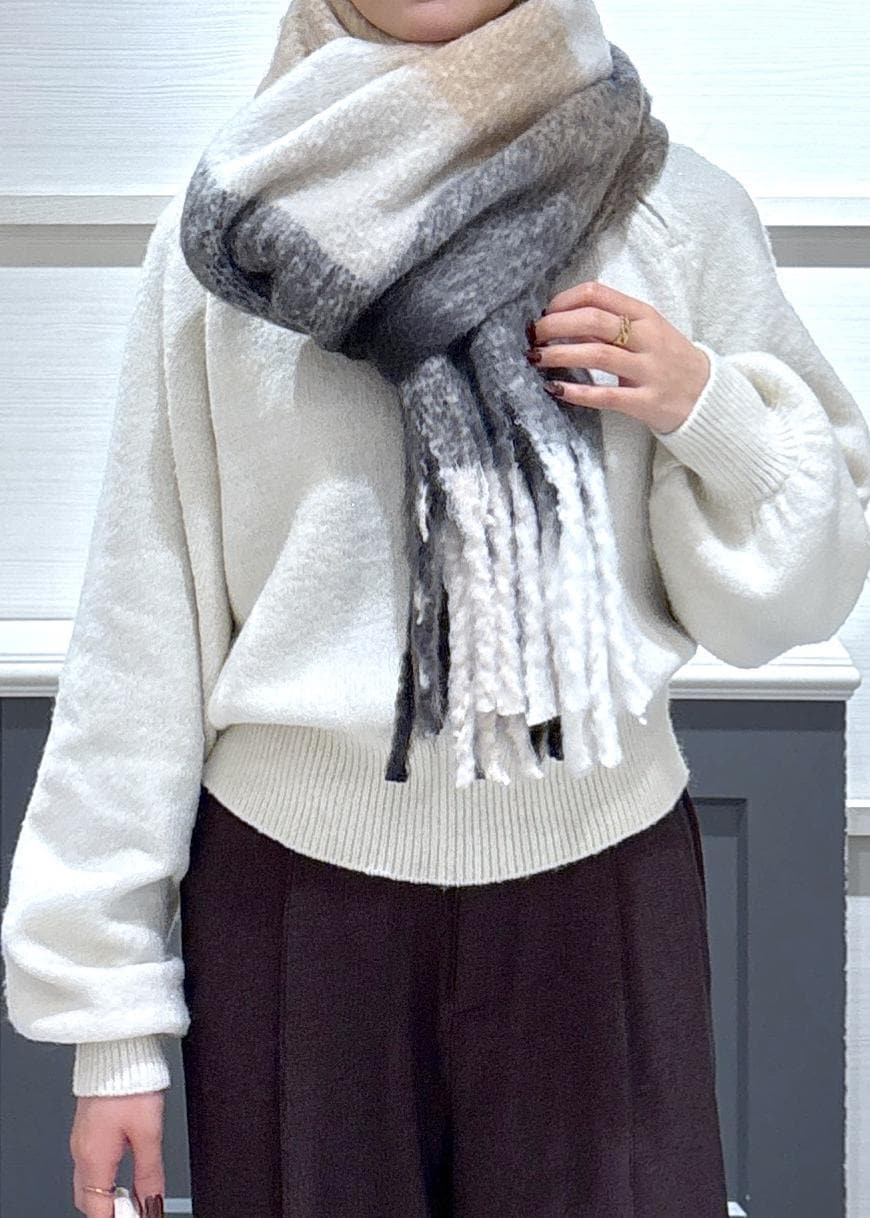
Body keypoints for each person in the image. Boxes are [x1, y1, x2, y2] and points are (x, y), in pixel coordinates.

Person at [3, 0, 870, 1215]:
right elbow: (144, 622)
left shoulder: (671, 212)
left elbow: (792, 600)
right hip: (294, 912)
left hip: (598, 895)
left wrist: (705, 407)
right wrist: (109, 1023)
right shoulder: (231, 241)